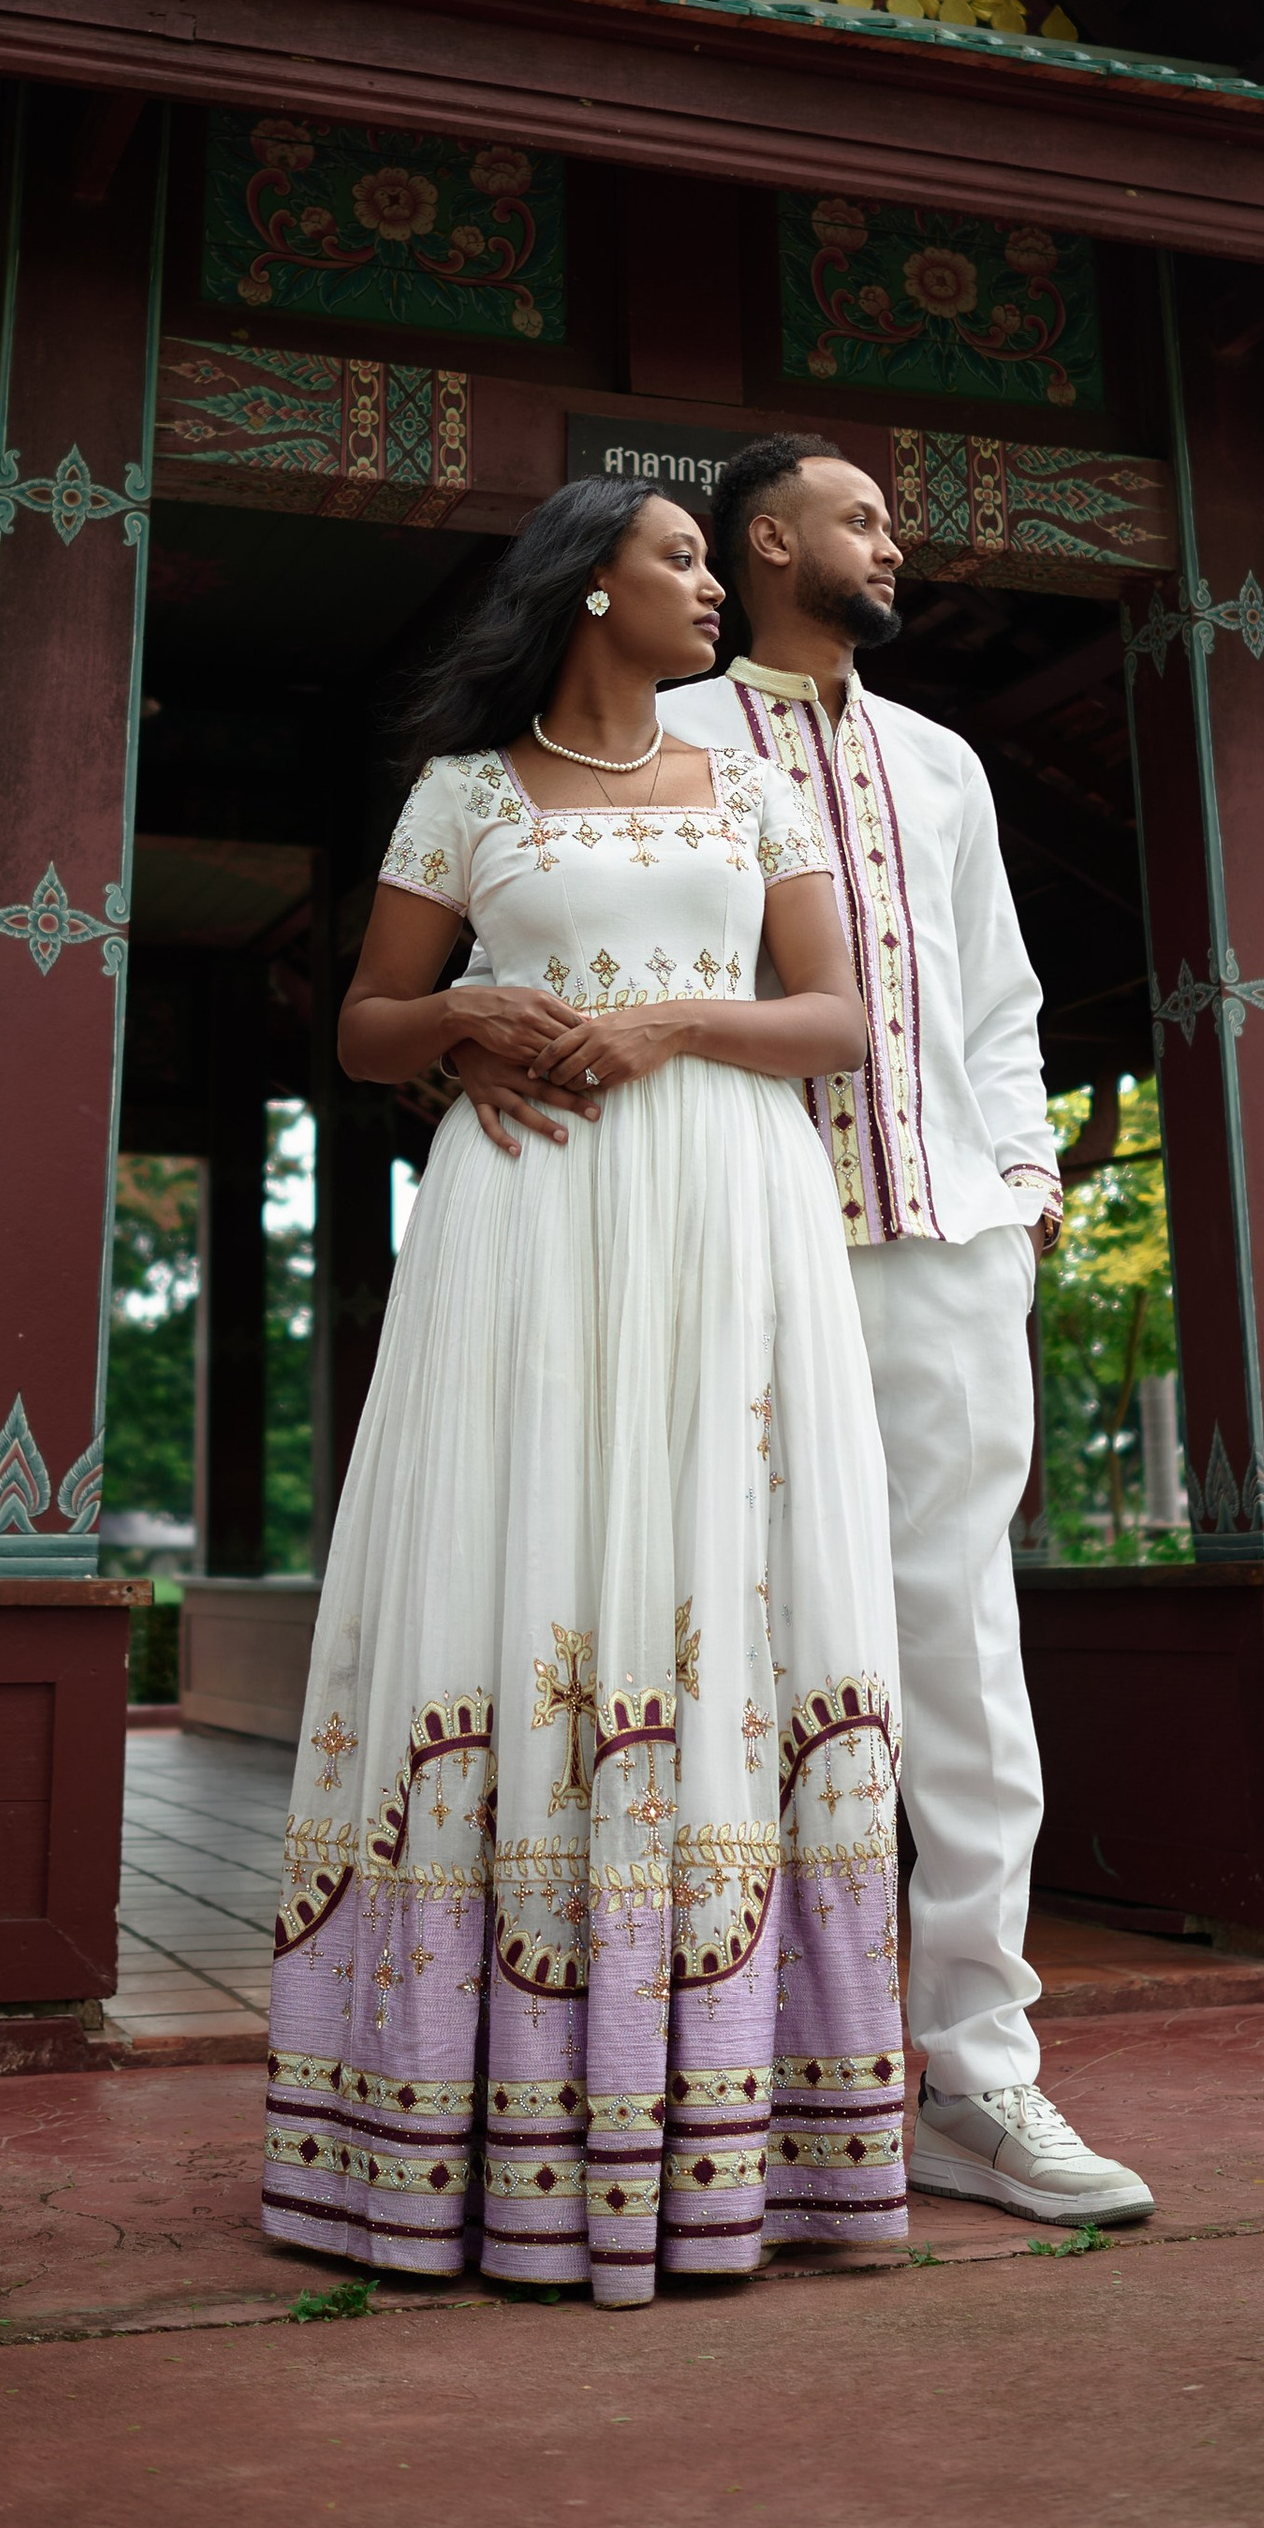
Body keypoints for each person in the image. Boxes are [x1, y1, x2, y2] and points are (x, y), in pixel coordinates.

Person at [456, 435, 1155, 2233]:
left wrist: (1019, 1185)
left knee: (958, 1655)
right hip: (720, 1240)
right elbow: (554, 934)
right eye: (858, 516)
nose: (891, 539)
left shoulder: (940, 761)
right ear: (768, 543)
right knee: (715, 1642)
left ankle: (982, 2078)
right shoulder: (672, 750)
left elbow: (996, 999)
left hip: (936, 1251)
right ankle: (740, 2076)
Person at [261, 476, 908, 2310]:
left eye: (714, 556)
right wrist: (467, 1020)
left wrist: (665, 1026)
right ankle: (476, 2131)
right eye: (682, 559)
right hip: (527, 1223)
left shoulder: (758, 784)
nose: (711, 586)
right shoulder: (462, 797)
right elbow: (368, 1023)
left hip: (729, 1210)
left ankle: (728, 2130)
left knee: (722, 1580)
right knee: (520, 1579)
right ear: (585, 587)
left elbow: (839, 1020)